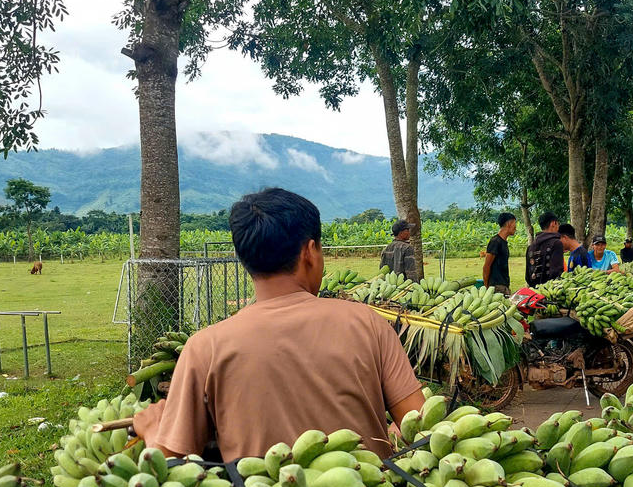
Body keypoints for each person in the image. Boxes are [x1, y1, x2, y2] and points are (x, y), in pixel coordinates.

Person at [132, 188, 426, 460]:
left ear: (244, 257)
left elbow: (172, 465)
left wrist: (154, 431)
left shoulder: (204, 347)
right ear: (309, 252)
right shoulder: (368, 324)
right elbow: (421, 424)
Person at [525, 213, 565, 286]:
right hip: (550, 291)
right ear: (553, 223)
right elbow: (557, 273)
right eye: (558, 224)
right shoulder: (556, 243)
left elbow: (528, 276)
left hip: (534, 292)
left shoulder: (530, 247)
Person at [483, 212, 516, 294]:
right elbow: (486, 267)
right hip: (497, 287)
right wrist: (487, 288)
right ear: (509, 223)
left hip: (503, 286)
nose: (516, 227)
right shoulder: (495, 242)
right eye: (515, 224)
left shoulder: (503, 242)